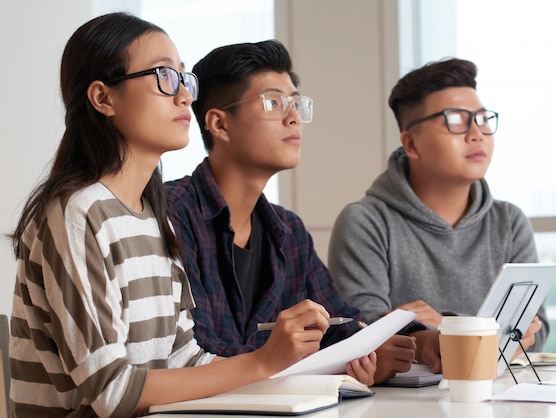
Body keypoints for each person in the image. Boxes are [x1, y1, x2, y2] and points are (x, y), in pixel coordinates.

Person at [8, 13, 375, 417]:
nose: (184, 96)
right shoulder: (77, 212)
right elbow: (111, 390)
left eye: (185, 79)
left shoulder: (154, 218)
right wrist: (263, 361)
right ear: (103, 98)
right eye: (165, 76)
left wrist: (291, 372)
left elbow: (186, 360)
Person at [165, 40, 442, 384]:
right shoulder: (172, 215)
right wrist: (328, 360)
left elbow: (341, 322)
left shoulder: (288, 230)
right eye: (273, 102)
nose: (293, 116)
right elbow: (198, 351)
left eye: (296, 103)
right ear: (220, 125)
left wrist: (419, 339)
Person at [327, 57, 548, 354]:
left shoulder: (509, 221)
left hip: (498, 393)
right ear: (411, 144)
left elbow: (536, 330)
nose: (477, 133)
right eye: (455, 121)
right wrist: (490, 333)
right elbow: (361, 332)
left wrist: (445, 325)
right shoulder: (366, 221)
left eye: (483, 119)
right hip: (401, 400)